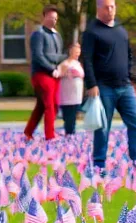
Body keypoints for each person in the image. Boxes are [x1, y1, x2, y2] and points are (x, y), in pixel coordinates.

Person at [81, 0, 136, 168]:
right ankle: (99, 163)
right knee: (103, 127)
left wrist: (131, 76)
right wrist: (91, 84)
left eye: (113, 7)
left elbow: (129, 54)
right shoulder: (91, 32)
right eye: (107, 7)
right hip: (103, 87)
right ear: (98, 9)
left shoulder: (121, 30)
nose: (110, 10)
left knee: (135, 123)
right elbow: (86, 59)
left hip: (125, 86)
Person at [24, 5, 64, 141]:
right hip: (41, 74)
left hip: (55, 74)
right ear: (44, 16)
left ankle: (28, 132)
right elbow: (38, 56)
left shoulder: (56, 35)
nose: (53, 21)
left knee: (42, 106)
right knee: (50, 104)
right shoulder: (38, 34)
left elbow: (58, 56)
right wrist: (51, 68)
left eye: (56, 19)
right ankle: (50, 136)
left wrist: (59, 66)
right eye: (51, 17)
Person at [57, 43, 85, 136]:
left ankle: (71, 133)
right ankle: (69, 134)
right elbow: (58, 74)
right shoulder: (65, 64)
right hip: (67, 95)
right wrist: (67, 73)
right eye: (75, 52)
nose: (77, 54)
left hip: (76, 95)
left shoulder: (78, 64)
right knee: (68, 116)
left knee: (73, 116)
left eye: (78, 52)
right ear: (70, 51)